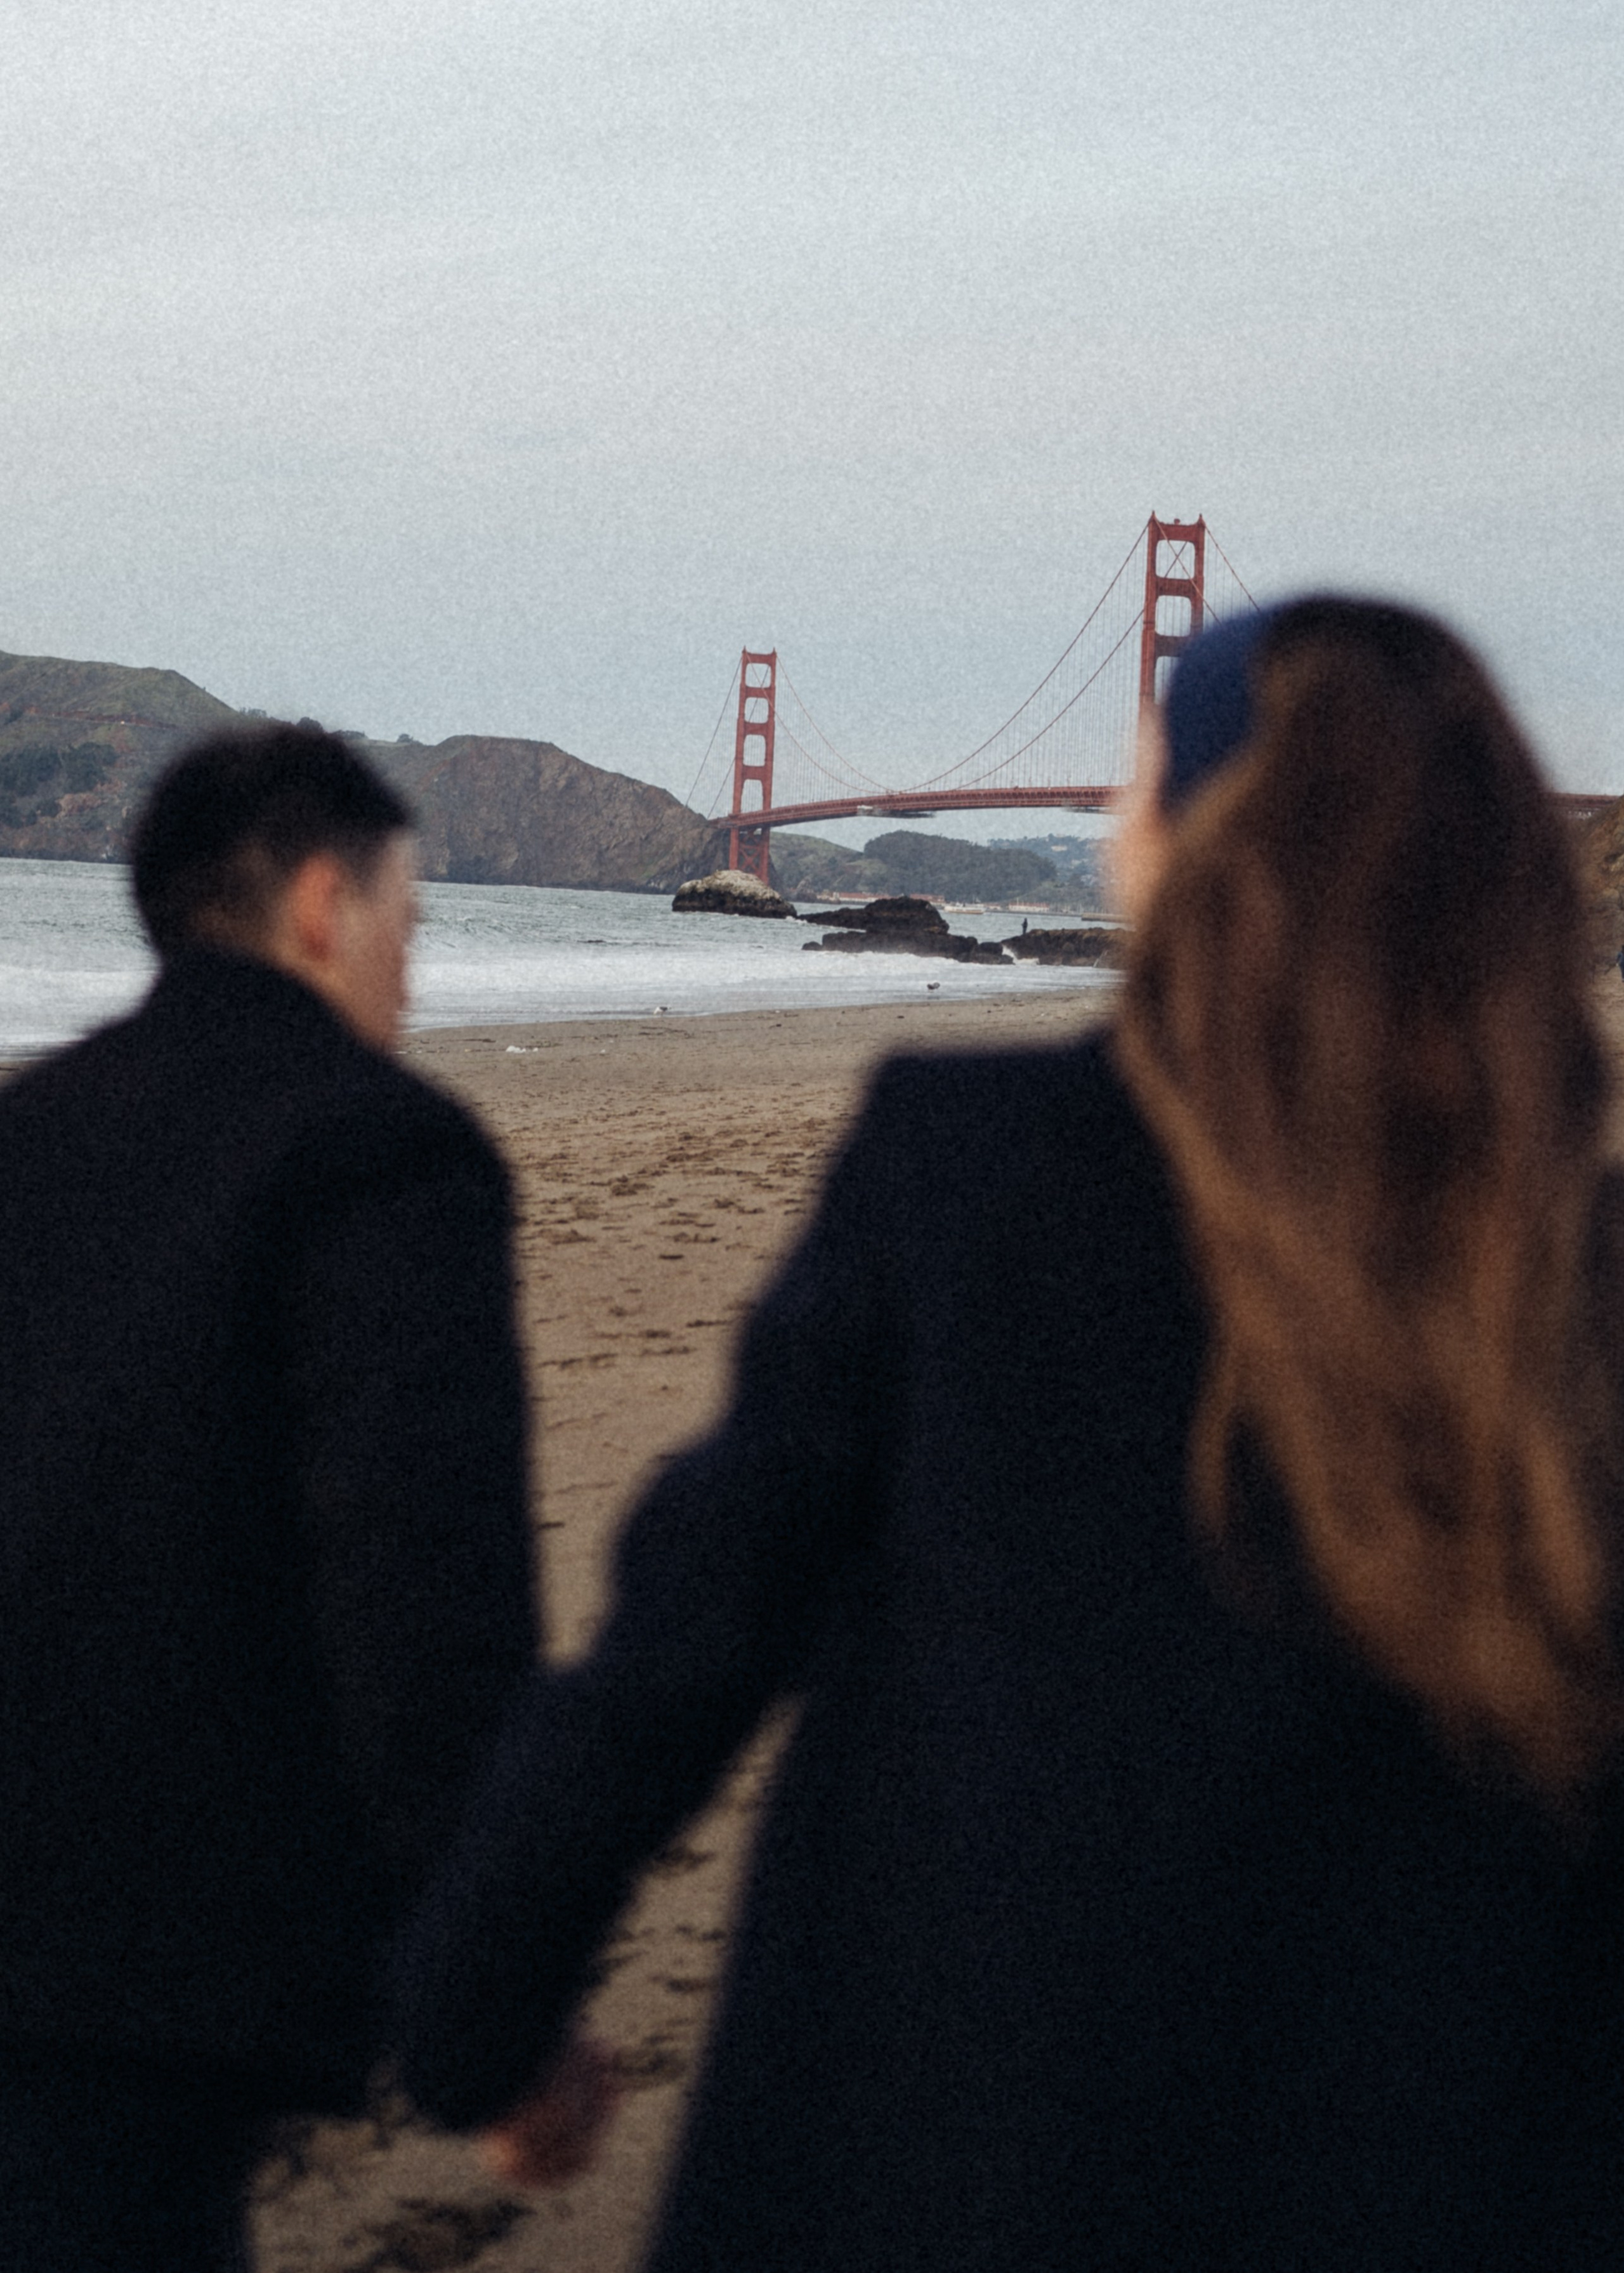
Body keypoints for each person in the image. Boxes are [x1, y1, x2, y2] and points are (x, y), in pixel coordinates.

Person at [393, 602, 1624, 2270]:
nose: (1113, 820)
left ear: (1188, 845)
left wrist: (484, 2016)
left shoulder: (963, 1172)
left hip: (937, 2175)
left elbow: (684, 1637)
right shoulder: (1577, 1280)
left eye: (1139, 781)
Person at [0, 723, 541, 2270]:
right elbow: (425, 1597)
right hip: (159, 1973)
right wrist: (500, 2003)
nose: (410, 980)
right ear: (321, 906)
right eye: (407, 926)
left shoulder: (24, 1135)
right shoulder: (385, 1149)